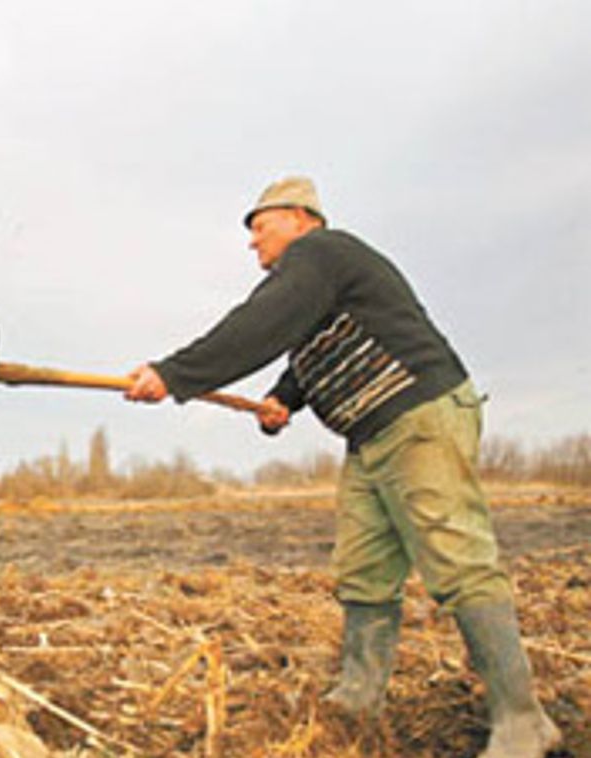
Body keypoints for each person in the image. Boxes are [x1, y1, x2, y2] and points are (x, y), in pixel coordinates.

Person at [125, 177, 560, 758]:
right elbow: (306, 348)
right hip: (371, 437)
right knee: (363, 570)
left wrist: (175, 374)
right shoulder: (315, 284)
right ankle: (357, 699)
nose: (252, 242)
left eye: (260, 225)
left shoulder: (321, 254)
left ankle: (523, 723)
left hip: (418, 416)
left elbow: (263, 322)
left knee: (459, 563)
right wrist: (285, 398)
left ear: (302, 218)